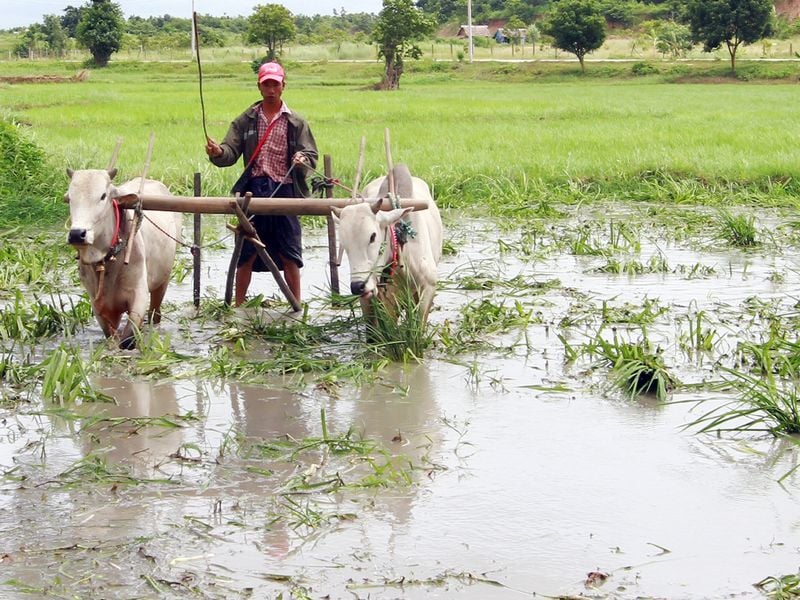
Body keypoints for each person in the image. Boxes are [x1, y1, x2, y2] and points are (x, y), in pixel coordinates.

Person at [205, 61, 318, 307]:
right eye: (266, 84)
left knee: (289, 252)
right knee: (246, 250)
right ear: (259, 86)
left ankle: (296, 306)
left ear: (283, 86)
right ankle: (239, 306)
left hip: (285, 191)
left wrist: (301, 160)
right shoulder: (245, 120)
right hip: (253, 191)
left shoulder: (296, 122)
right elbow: (230, 152)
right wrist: (216, 152)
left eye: (275, 84)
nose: (270, 88)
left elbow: (311, 157)